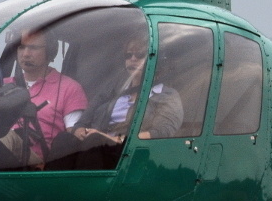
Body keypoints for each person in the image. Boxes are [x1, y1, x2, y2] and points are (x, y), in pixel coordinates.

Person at [47, 35, 183, 169]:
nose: (132, 59)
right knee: (63, 139)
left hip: (130, 154)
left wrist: (118, 140)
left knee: (94, 141)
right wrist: (80, 130)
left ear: (156, 60)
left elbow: (162, 131)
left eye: (140, 55)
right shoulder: (112, 90)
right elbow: (83, 121)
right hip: (96, 145)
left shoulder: (167, 96)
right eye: (128, 55)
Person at [3, 28, 88, 148]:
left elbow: (74, 139)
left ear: (50, 51)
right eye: (21, 47)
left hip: (39, 162)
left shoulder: (69, 88)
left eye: (33, 48)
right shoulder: (3, 86)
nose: (26, 54)